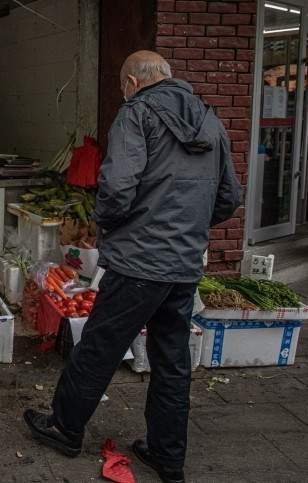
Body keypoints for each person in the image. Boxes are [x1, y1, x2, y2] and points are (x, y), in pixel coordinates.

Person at [23, 50, 242, 483]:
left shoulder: (136, 113)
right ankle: (167, 455)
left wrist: (110, 225)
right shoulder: (210, 122)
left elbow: (117, 189)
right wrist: (189, 228)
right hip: (183, 264)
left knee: (100, 346)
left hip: (139, 261)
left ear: (132, 82)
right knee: (173, 360)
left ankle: (65, 427)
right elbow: (229, 197)